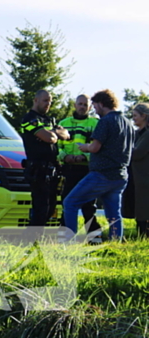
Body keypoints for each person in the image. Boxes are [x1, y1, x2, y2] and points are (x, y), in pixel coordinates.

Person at [63, 89, 135, 241]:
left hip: (101, 174)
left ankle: (67, 242)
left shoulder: (105, 121)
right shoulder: (127, 123)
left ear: (102, 104)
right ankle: (116, 241)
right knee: (114, 213)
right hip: (120, 175)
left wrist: (85, 147)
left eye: (95, 106)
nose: (95, 110)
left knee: (70, 202)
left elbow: (95, 147)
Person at [20, 90, 70, 226]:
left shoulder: (49, 120)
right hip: (38, 169)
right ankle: (30, 239)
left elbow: (66, 134)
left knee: (51, 207)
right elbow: (50, 138)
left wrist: (53, 133)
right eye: (45, 100)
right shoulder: (29, 119)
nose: (48, 104)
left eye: (50, 101)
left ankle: (38, 239)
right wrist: (54, 133)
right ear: (36, 100)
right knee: (40, 207)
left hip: (52, 169)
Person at [57, 94, 102, 240]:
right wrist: (64, 156)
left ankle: (94, 237)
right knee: (67, 202)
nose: (82, 107)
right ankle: (64, 236)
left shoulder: (95, 123)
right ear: (75, 105)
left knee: (88, 205)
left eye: (85, 105)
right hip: (68, 169)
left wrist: (85, 157)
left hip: (86, 169)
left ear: (90, 107)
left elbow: (99, 148)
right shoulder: (63, 123)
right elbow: (56, 146)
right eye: (80, 104)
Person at [131, 103, 149, 237]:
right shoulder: (136, 134)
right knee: (139, 206)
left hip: (145, 177)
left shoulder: (147, 135)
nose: (133, 118)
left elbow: (137, 153)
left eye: (136, 116)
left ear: (144, 116)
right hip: (137, 177)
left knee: (144, 206)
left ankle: (144, 235)